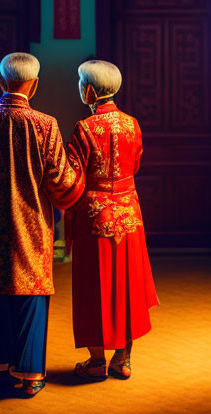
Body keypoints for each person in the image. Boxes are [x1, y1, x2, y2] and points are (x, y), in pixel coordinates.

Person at [0, 52, 82, 398]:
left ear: (0, 82)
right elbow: (60, 180)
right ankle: (30, 375)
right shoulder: (45, 125)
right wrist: (78, 180)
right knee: (31, 295)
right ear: (35, 85)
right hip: (32, 226)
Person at [66, 60, 159, 381]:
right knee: (128, 282)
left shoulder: (84, 128)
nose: (79, 88)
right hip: (129, 212)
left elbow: (72, 176)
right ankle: (123, 360)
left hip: (94, 215)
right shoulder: (133, 124)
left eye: (80, 82)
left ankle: (96, 362)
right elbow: (135, 162)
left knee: (95, 283)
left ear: (90, 90)